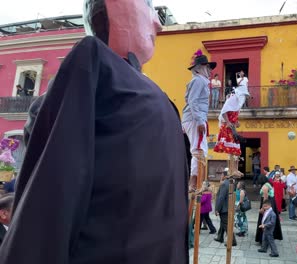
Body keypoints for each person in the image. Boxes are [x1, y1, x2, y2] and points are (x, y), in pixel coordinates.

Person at [0, 1, 188, 263]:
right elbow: (43, 216)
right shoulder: (94, 71)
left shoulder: (140, 90)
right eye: (149, 6)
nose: (158, 22)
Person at [183, 49, 217, 191]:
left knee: (200, 149)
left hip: (195, 118)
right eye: (208, 67)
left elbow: (189, 99)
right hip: (195, 119)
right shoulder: (199, 81)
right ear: (202, 67)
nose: (210, 70)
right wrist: (199, 121)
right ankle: (194, 182)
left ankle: (196, 180)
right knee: (199, 149)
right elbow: (192, 101)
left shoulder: (199, 81)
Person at [213, 74, 250, 177]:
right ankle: (232, 170)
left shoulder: (237, 102)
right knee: (232, 150)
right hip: (227, 127)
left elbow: (233, 114)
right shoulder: (233, 99)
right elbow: (224, 111)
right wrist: (228, 122)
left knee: (236, 149)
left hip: (232, 126)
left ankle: (234, 169)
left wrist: (236, 122)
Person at [255, 175, 283, 243]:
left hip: (267, 204)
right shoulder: (268, 184)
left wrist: (262, 208)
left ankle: (264, 239)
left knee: (265, 220)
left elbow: (265, 199)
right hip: (272, 203)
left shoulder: (265, 186)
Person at [214, 175, 237, 246]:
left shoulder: (224, 184)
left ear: (224, 176)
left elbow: (221, 197)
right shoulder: (232, 183)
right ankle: (220, 236)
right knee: (223, 223)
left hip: (224, 207)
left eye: (222, 175)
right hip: (229, 206)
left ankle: (232, 240)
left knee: (226, 224)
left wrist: (217, 209)